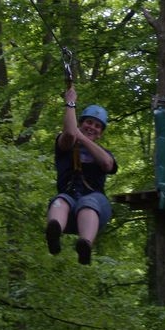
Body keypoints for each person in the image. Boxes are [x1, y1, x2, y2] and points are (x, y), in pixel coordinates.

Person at [45, 85, 118, 265]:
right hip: (69, 205)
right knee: (60, 200)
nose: (92, 127)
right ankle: (54, 232)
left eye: (97, 126)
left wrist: (82, 138)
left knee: (89, 202)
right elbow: (70, 133)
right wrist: (70, 103)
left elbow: (107, 164)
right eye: (89, 123)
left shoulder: (103, 153)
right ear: (80, 123)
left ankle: (85, 244)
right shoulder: (65, 146)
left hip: (95, 206)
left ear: (100, 134)